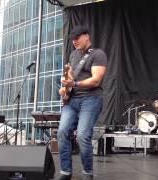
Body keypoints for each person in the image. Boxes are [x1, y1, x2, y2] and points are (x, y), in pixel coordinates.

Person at [56, 25, 107, 180]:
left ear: (87, 36)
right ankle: (65, 172)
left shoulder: (98, 54)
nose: (74, 41)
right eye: (72, 39)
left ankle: (87, 173)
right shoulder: (73, 55)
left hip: (91, 99)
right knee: (62, 132)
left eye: (77, 38)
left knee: (83, 135)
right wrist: (64, 87)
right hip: (72, 100)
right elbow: (69, 78)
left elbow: (96, 80)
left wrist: (75, 85)